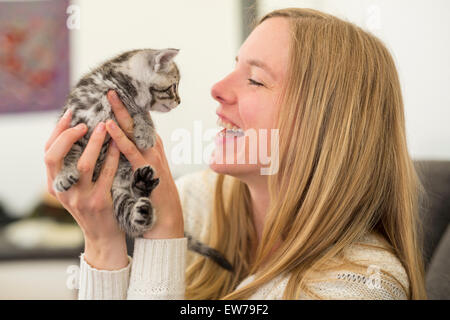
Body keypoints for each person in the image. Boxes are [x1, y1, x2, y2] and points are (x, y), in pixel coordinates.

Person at [44, 8, 427, 299]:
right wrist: (102, 241)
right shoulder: (195, 199)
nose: (216, 88)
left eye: (256, 79)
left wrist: (162, 238)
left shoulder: (362, 283)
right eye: (234, 66)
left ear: (328, 120)